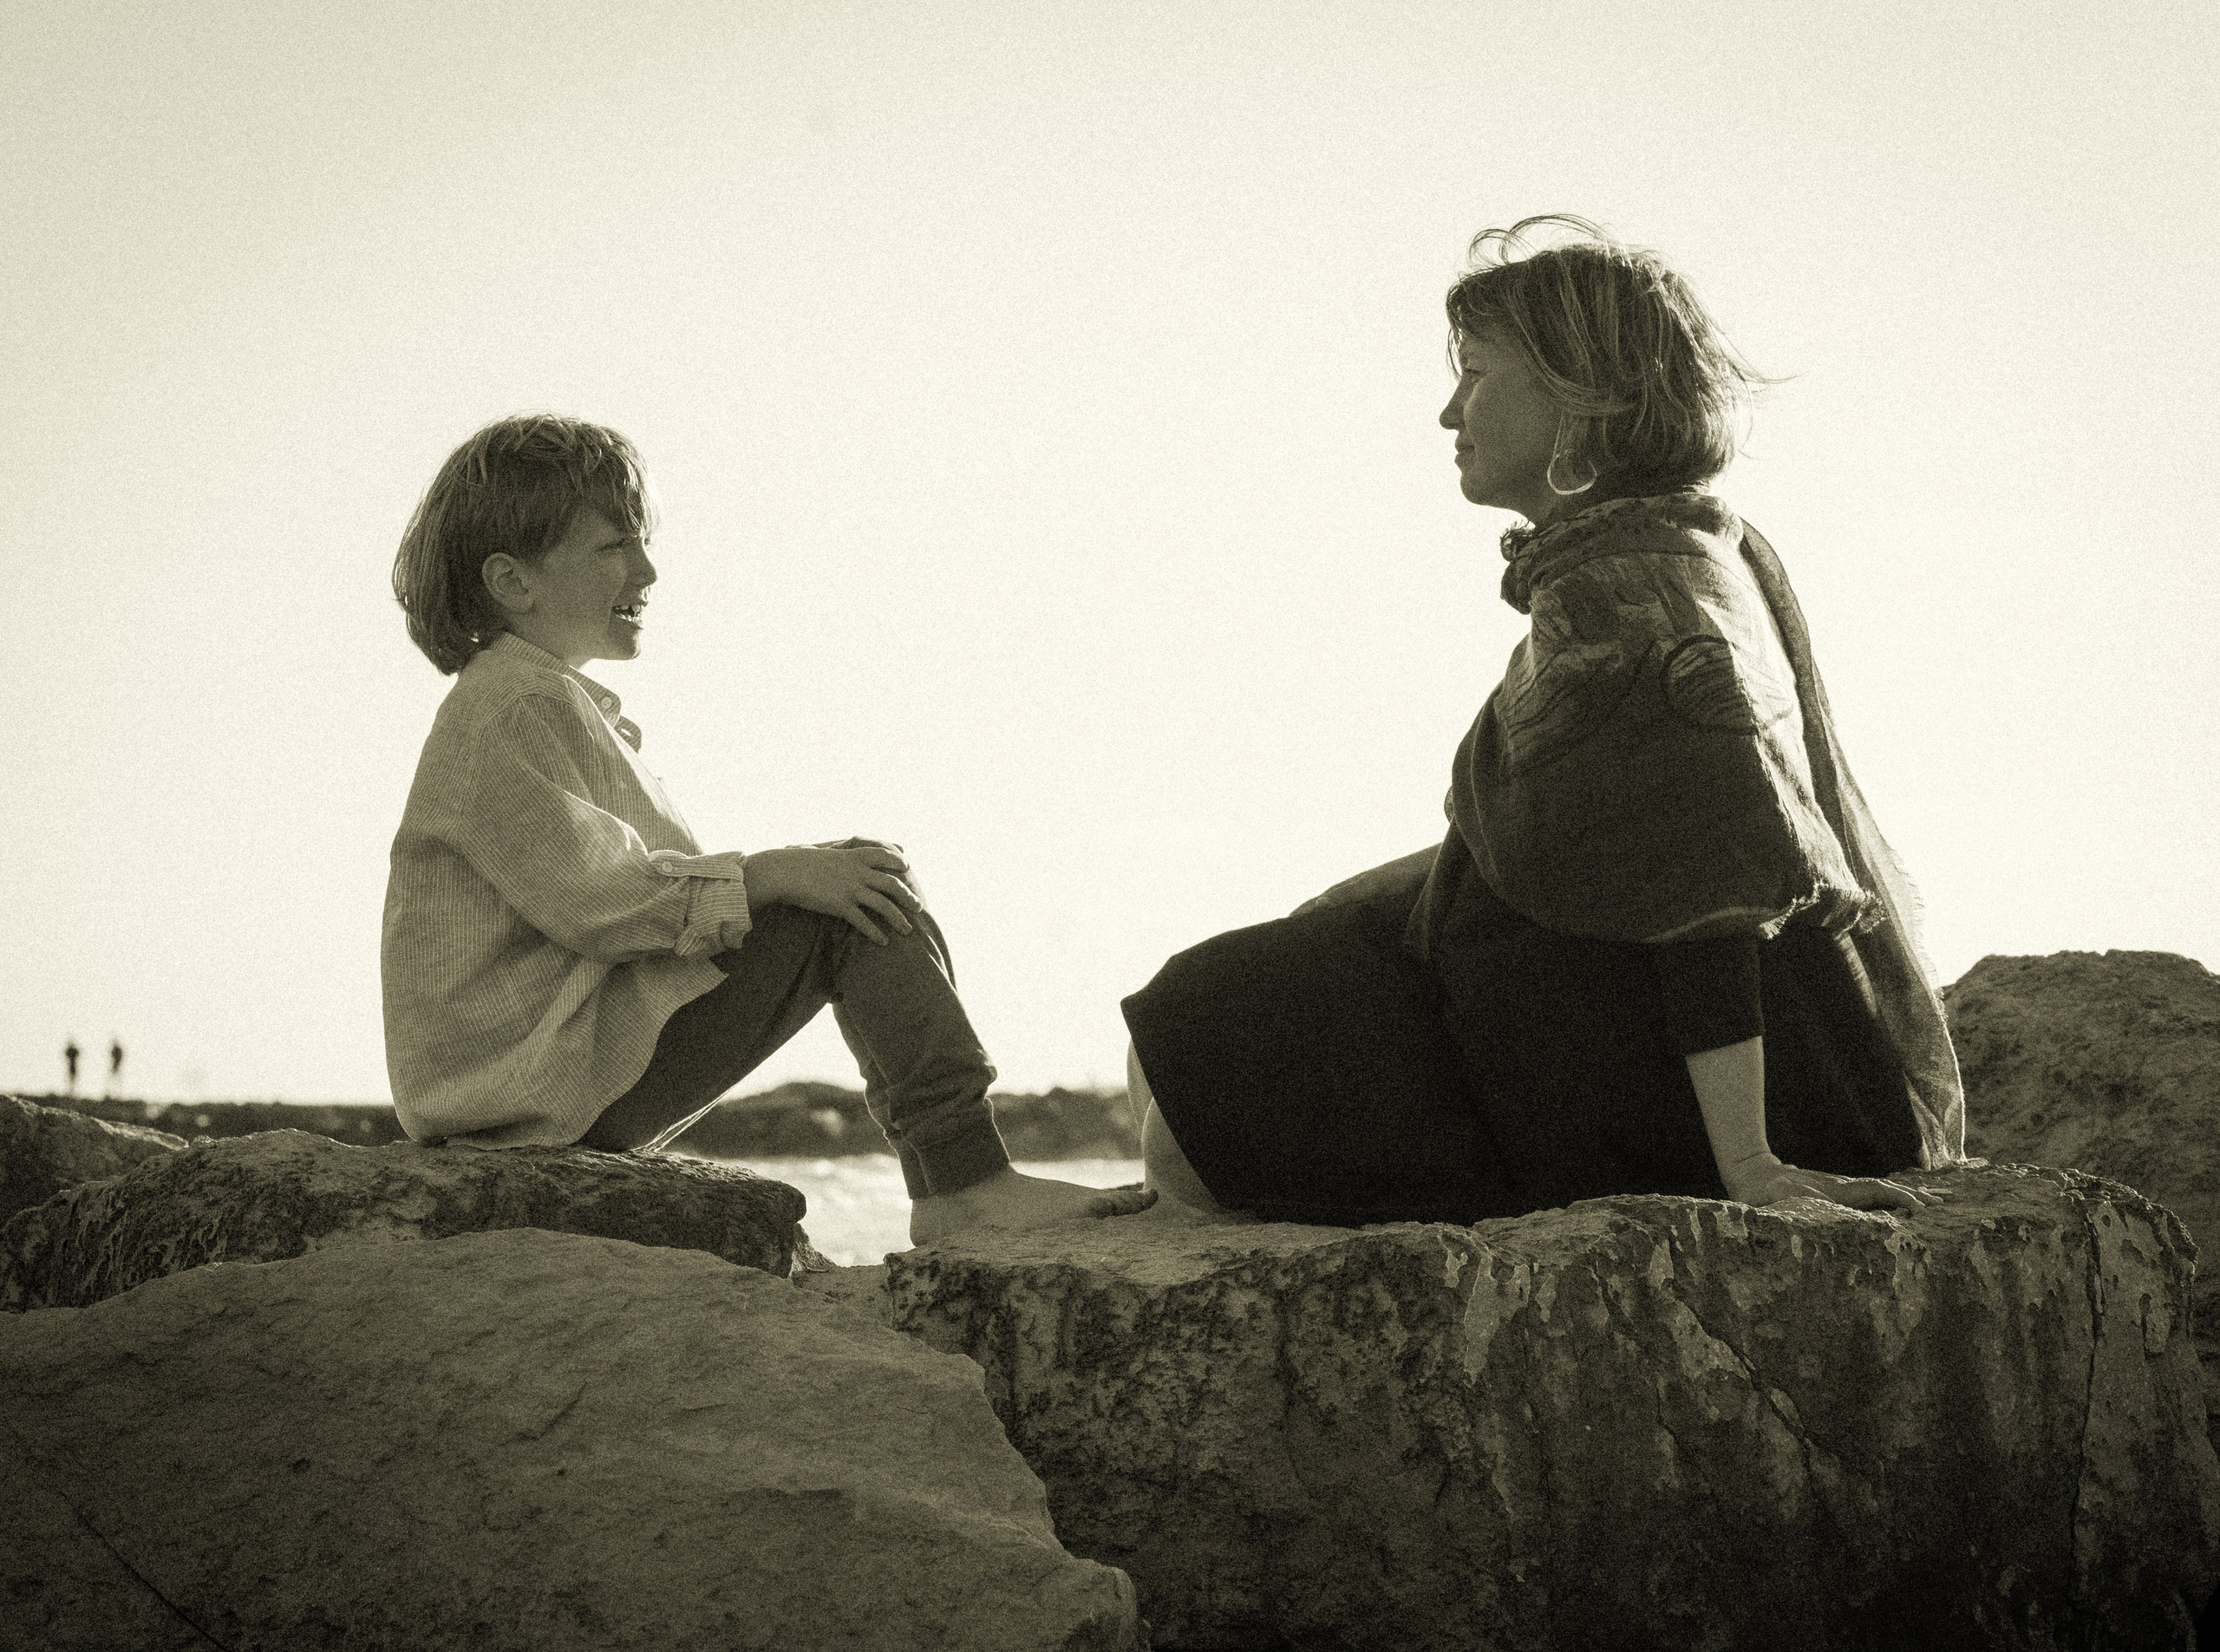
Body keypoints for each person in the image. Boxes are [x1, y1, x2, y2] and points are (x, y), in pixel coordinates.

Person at [1123, 216, 1964, 1228]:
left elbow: (1705, 886)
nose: (1447, 413)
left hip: (1624, 1085)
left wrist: (1748, 1162)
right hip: (1593, 1024)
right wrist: (1370, 894)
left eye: (1475, 375)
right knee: (1225, 997)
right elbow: (1606, 822)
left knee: (1208, 1026)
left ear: (1583, 397)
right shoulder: (1666, 552)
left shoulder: (1630, 589)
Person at [382, 415, 1151, 1244]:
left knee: (846, 875)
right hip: (530, 1093)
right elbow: (598, 903)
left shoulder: (545, 702)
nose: (647, 568)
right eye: (613, 547)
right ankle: (962, 1179)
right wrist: (774, 874)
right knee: (844, 901)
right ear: (513, 581)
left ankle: (956, 1179)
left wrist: (783, 875)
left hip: (551, 1081)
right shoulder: (510, 706)